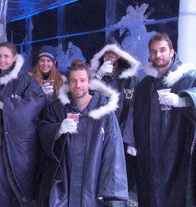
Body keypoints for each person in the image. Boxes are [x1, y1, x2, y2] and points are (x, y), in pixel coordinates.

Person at [37, 60, 128, 206]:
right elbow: (42, 134)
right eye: (73, 81)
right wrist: (59, 129)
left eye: (82, 80)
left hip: (93, 185)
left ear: (89, 82)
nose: (78, 85)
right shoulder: (57, 109)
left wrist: (109, 193)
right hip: (64, 187)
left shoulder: (104, 112)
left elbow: (114, 152)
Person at [0, 41, 46, 206]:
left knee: (12, 179)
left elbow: (37, 102)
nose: (2, 60)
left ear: (14, 58)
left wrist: (6, 106)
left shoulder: (25, 80)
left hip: (16, 141)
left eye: (6, 56)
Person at [133, 32, 196, 206]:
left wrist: (185, 100)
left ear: (172, 52)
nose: (158, 55)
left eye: (162, 50)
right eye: (153, 51)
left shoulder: (189, 78)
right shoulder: (146, 84)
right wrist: (131, 141)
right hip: (149, 156)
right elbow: (135, 114)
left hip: (179, 156)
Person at [89, 40, 140, 195]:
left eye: (114, 52)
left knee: (121, 177)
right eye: (107, 52)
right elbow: (86, 99)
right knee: (98, 174)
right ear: (102, 54)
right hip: (99, 134)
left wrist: (130, 138)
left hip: (123, 135)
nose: (110, 56)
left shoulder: (130, 77)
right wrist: (98, 76)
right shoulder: (93, 74)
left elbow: (134, 108)